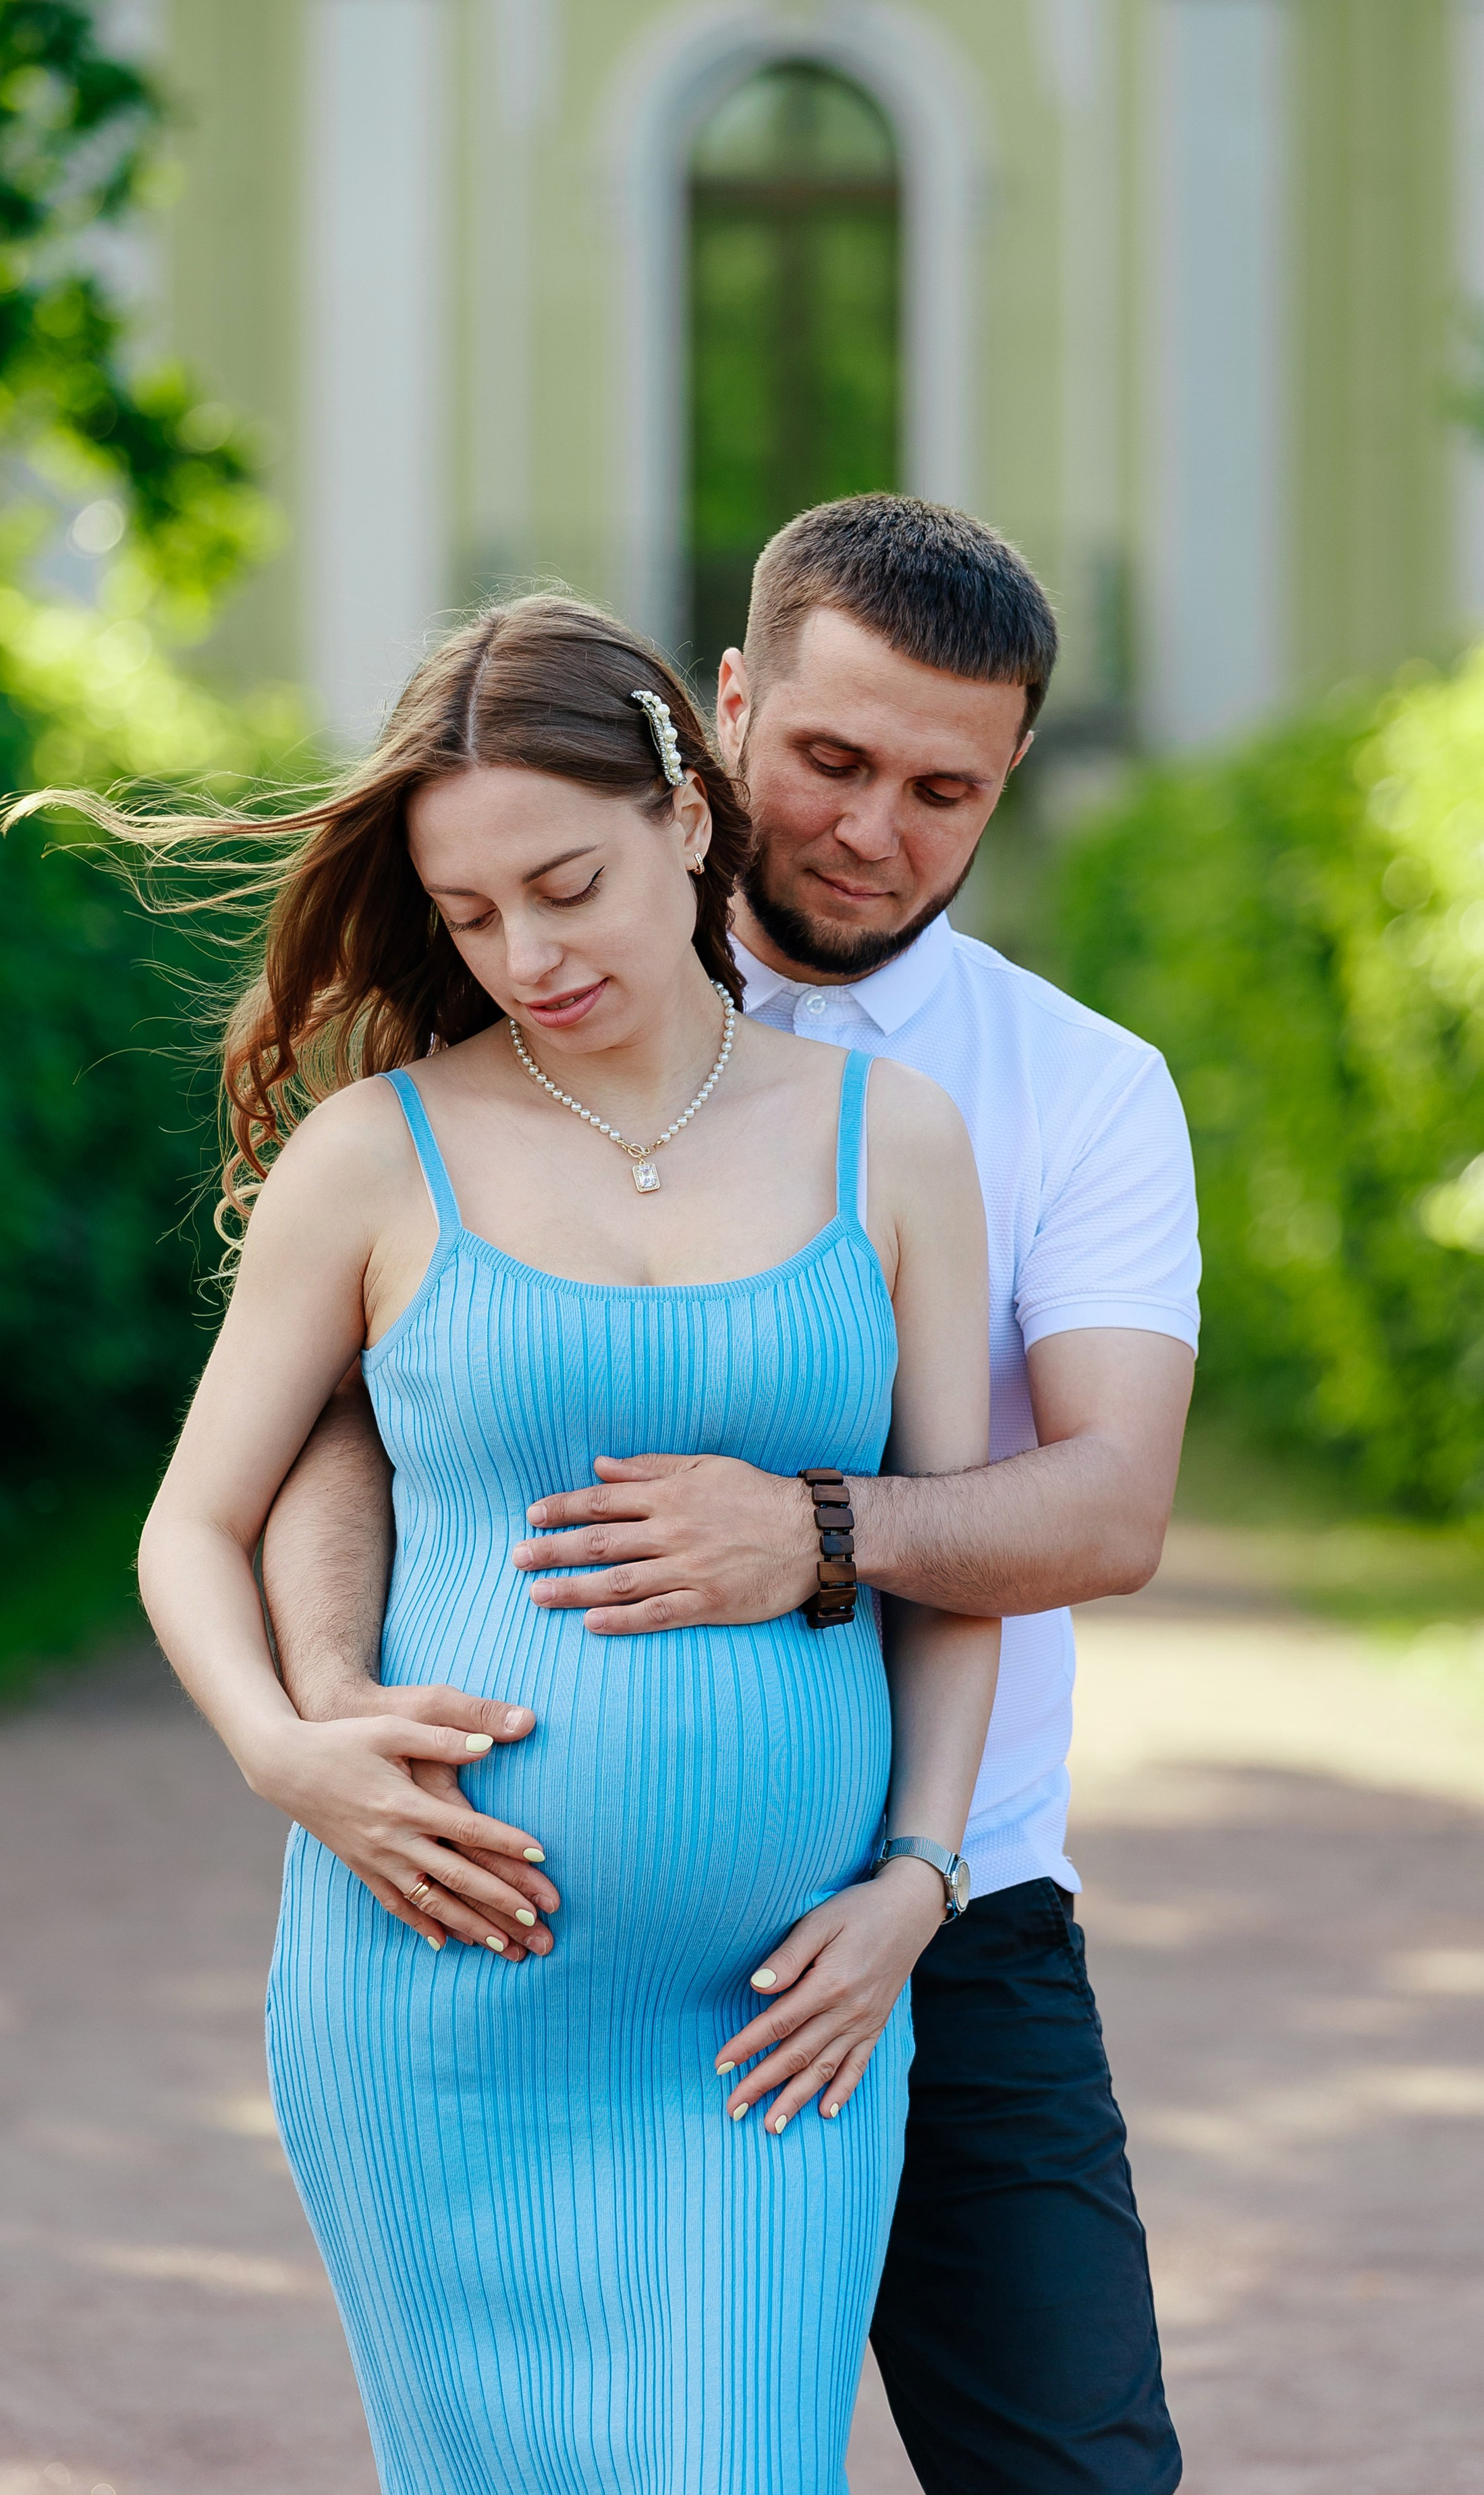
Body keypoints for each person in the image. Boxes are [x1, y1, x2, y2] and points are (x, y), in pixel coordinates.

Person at [263, 502, 1199, 2495]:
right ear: (725, 721)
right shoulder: (528, 988)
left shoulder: (1073, 1091)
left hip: (940, 1919)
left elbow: (1108, 1509)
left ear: (1008, 779)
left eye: (945, 789)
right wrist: (330, 1696)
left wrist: (823, 1534)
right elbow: (348, 1413)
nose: (875, 828)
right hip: (513, 1973)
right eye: (834, 762)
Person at [38, 595, 1001, 2494]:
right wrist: (289, 1754)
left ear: (689, 814)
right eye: (473, 916)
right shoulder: (377, 1157)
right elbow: (191, 1528)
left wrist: (922, 1880)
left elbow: (951, 1556)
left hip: (778, 2023)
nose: (528, 953)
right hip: (435, 2013)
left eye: (565, 885)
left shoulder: (896, 1143)